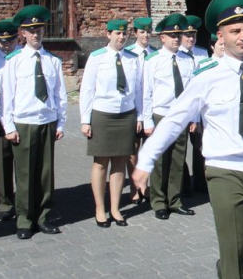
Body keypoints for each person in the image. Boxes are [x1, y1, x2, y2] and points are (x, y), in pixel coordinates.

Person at [133, 0, 243, 279]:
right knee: (235, 246)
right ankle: (233, 269)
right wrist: (146, 160)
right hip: (224, 169)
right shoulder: (207, 75)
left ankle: (229, 268)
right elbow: (174, 119)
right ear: (221, 35)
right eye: (235, 31)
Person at [1, 5, 67, 239]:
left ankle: (43, 217)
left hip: (47, 122)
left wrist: (61, 123)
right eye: (31, 30)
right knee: (25, 174)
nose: (36, 34)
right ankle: (24, 220)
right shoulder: (14, 60)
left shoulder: (53, 61)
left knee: (45, 174)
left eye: (39, 29)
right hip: (24, 123)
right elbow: (7, 95)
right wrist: (9, 126)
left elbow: (60, 95)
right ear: (23, 34)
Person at [79, 19, 143, 228]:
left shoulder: (133, 58)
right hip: (103, 114)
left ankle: (115, 208)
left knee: (120, 162)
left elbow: (139, 90)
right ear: (108, 34)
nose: (121, 37)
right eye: (117, 33)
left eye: (124, 34)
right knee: (101, 162)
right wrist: (85, 120)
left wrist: (140, 116)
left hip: (126, 114)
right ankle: (100, 208)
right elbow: (87, 90)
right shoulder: (97, 57)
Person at [142, 13, 195, 220]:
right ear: (162, 38)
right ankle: (159, 202)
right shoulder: (152, 60)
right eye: (172, 35)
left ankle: (175, 200)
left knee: (177, 160)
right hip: (161, 115)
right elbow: (146, 92)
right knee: (160, 162)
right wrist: (147, 121)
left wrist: (193, 117)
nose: (176, 39)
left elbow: (192, 92)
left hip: (180, 116)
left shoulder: (187, 60)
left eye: (178, 35)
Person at [0, 19, 20, 221]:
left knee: (22, 163)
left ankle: (24, 201)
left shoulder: (22, 56)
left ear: (17, 38)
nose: (7, 45)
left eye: (11, 41)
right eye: (2, 42)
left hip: (20, 115)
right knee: (1, 162)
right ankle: (4, 203)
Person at [125, 17, 156, 204]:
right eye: (142, 32)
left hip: (150, 108)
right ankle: (134, 187)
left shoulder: (155, 53)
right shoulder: (129, 54)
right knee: (133, 150)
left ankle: (145, 184)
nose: (146, 35)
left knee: (149, 149)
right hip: (134, 107)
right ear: (135, 33)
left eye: (148, 31)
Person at [178, 15, 210, 196]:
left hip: (199, 108)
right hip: (182, 107)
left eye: (193, 35)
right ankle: (183, 184)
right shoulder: (176, 54)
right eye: (187, 35)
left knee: (200, 146)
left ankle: (200, 181)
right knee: (179, 149)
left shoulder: (202, 53)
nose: (191, 39)